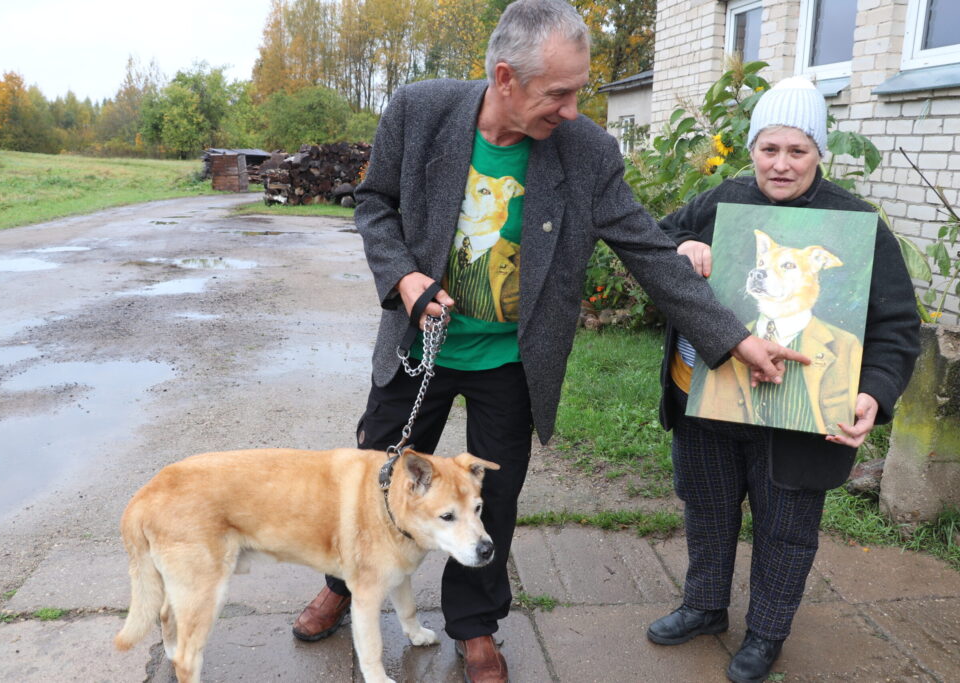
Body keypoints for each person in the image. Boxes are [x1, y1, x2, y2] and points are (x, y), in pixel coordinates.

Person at [292, 2, 808, 681]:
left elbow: (648, 252)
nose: (571, 109)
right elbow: (373, 202)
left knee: (491, 499)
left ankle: (476, 625)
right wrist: (406, 277)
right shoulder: (419, 113)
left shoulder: (585, 151)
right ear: (507, 78)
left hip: (511, 360)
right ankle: (341, 583)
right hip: (420, 347)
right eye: (559, 93)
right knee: (378, 478)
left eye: (579, 92)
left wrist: (734, 339)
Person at [645, 77, 921, 683]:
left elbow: (899, 324)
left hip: (802, 417)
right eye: (769, 149)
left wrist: (873, 391)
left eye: (797, 150)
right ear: (752, 149)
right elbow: (650, 244)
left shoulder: (856, 222)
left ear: (820, 152)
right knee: (709, 510)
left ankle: (766, 633)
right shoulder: (723, 199)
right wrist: (685, 246)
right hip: (710, 398)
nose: (781, 164)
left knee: (787, 527)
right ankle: (704, 606)